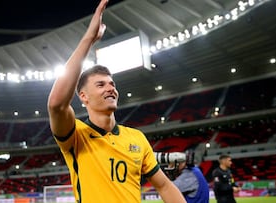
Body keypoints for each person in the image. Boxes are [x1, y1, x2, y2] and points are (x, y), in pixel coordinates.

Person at [47, 0, 186, 202]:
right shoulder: (75, 136)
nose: (110, 88)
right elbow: (56, 104)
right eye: (100, 85)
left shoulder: (137, 138)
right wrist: (88, 39)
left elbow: (164, 185)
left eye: (112, 84)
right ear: (83, 97)